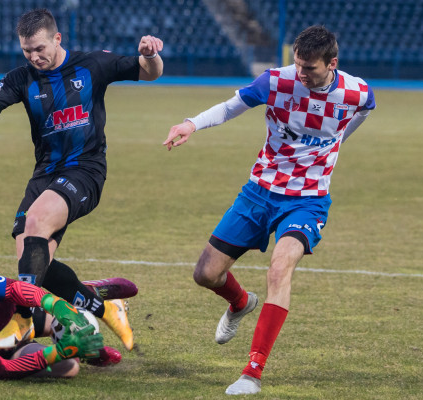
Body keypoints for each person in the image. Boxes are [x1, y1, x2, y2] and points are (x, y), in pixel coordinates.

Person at [163, 25, 375, 395]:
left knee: (280, 269)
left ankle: (252, 372)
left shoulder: (356, 92)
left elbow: (365, 109)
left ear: (332, 64)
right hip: (259, 193)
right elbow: (232, 106)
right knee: (205, 274)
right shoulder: (276, 82)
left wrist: (339, 141)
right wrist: (191, 124)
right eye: (297, 64)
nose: (301, 73)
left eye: (309, 68)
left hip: (308, 200)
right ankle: (241, 303)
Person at [0, 8, 163, 351]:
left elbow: (150, 72)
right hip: (45, 176)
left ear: (57, 38)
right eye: (27, 50)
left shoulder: (92, 65)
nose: (34, 56)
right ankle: (106, 308)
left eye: (40, 48)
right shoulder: (21, 78)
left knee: (35, 223)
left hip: (85, 171)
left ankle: (23, 318)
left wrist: (151, 55)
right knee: (35, 260)